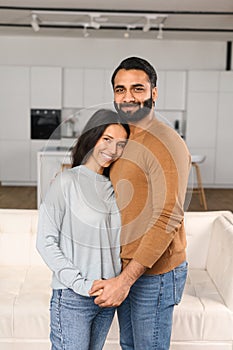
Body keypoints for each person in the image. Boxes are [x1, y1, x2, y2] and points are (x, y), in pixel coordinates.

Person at [89, 57, 191, 349]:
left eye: (137, 88)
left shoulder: (165, 142)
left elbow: (167, 217)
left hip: (154, 273)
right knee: (130, 346)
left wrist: (125, 280)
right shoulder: (127, 136)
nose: (128, 97)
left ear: (154, 93)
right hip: (129, 268)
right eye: (120, 90)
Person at [36, 108, 130, 350]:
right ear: (93, 136)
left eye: (121, 144)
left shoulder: (115, 187)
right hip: (73, 297)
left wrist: (116, 284)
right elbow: (45, 241)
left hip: (107, 297)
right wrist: (80, 284)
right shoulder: (66, 182)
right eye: (107, 140)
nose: (113, 150)